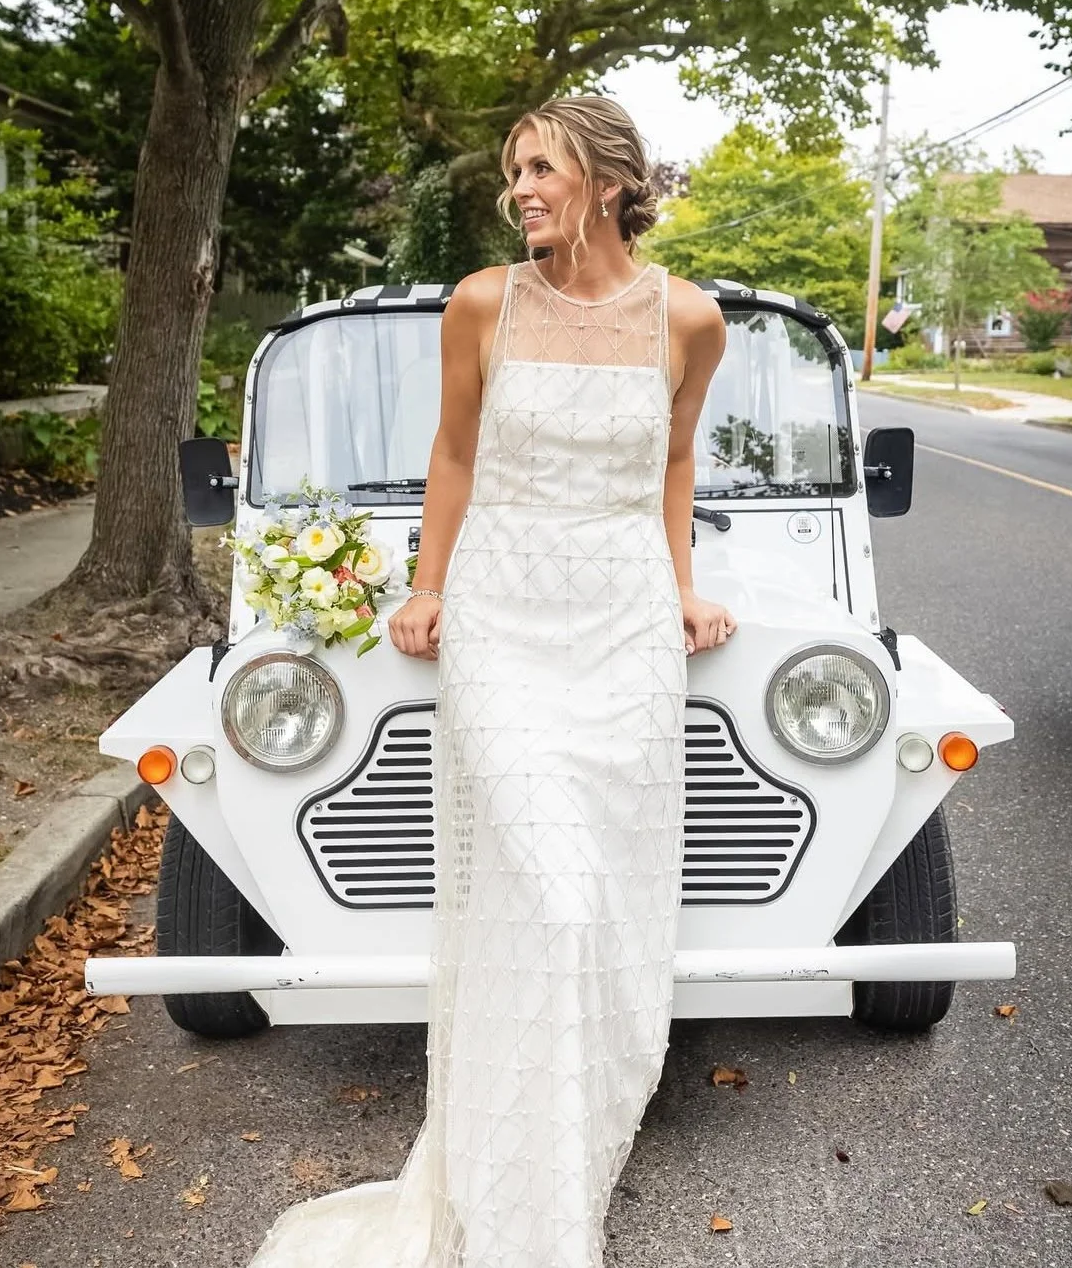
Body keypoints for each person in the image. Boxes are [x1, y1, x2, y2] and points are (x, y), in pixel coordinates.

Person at [247, 94, 734, 1268]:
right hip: (505, 611)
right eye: (516, 170)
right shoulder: (481, 302)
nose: (522, 188)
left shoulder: (691, 318)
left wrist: (677, 587)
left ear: (610, 182)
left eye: (544, 169)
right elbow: (455, 452)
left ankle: (560, 1152)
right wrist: (428, 585)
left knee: (597, 908)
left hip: (620, 620)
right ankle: (519, 1190)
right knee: (549, 891)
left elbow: (672, 464)